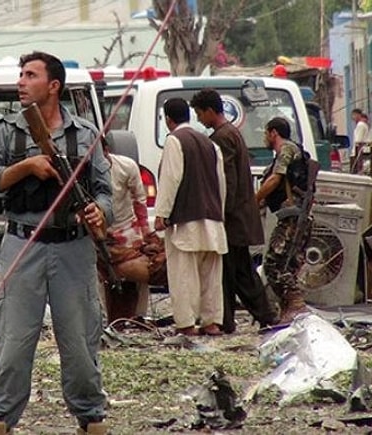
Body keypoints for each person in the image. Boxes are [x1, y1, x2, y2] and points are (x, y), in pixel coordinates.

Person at [0, 51, 112, 435]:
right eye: (20, 74)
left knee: (80, 344)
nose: (20, 81)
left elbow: (106, 192)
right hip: (23, 244)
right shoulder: (6, 131)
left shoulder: (84, 134)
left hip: (74, 248)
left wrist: (99, 211)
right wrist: (25, 167)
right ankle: (0, 420)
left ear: (53, 86)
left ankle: (91, 418)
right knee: (14, 343)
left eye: (30, 75)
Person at [190, 88, 279, 334]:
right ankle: (226, 321)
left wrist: (219, 213)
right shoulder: (231, 133)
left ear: (209, 111)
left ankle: (266, 315)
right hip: (237, 216)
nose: (198, 119)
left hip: (232, 218)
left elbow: (225, 181)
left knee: (239, 273)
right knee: (229, 273)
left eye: (199, 113)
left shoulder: (221, 138)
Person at [154, 97, 227, 337]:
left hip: (187, 219)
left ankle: (186, 325)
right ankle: (212, 322)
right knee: (211, 277)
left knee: (183, 275)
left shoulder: (175, 140)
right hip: (213, 219)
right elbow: (220, 184)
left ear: (168, 119)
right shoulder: (210, 144)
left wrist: (161, 214)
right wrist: (219, 213)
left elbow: (171, 179)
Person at [255, 117, 311, 325]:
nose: (264, 138)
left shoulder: (286, 150)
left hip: (292, 217)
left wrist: (255, 199)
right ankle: (289, 310)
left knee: (275, 263)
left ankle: (296, 306)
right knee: (284, 263)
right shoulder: (291, 149)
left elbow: (275, 179)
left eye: (265, 133)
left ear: (273, 133)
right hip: (293, 216)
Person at [97, 138, 158, 326]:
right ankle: (103, 317)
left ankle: (139, 315)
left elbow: (139, 200)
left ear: (106, 150)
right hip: (97, 228)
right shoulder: (84, 170)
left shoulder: (126, 166)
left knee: (143, 269)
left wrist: (146, 233)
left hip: (125, 227)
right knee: (96, 271)